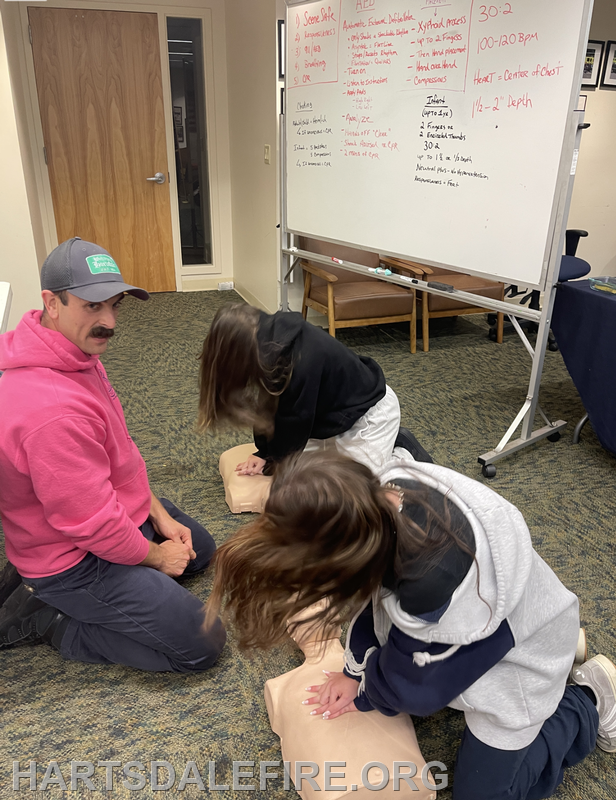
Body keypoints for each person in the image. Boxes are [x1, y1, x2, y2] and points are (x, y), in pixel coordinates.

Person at [206, 450, 616, 800]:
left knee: (486, 794)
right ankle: (569, 653)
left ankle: (590, 699)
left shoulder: (433, 585)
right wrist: (355, 671)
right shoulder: (372, 505)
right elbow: (370, 609)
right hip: (480, 629)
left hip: (519, 659)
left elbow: (419, 691)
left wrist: (367, 690)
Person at [0, 237, 225, 672]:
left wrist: (159, 517)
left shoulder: (74, 351)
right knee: (202, 644)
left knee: (200, 549)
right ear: (52, 302)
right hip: (72, 557)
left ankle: (118, 570)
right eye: (92, 306)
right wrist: (156, 556)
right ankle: (49, 619)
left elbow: (119, 454)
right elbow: (92, 525)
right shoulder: (49, 410)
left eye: (115, 305)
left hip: (104, 511)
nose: (109, 321)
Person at [197, 302, 430, 477]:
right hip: (332, 417)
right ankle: (380, 446)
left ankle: (402, 454)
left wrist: (277, 460)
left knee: (357, 490)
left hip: (369, 416)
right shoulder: (270, 342)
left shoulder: (300, 359)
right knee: (310, 472)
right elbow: (269, 406)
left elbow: (296, 419)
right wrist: (265, 453)